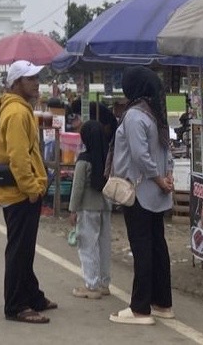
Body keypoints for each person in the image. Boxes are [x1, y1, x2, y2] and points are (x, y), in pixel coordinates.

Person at [109, 66, 175, 326]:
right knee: (158, 246)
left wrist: (158, 177)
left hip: (139, 190)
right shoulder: (156, 113)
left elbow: (139, 155)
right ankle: (162, 302)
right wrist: (167, 177)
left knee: (142, 248)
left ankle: (140, 308)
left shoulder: (135, 115)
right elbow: (166, 150)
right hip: (157, 191)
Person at [0, 60, 54, 324]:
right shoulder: (17, 113)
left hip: (19, 190)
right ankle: (16, 304)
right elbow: (18, 157)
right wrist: (31, 188)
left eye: (37, 77)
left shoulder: (16, 108)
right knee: (20, 249)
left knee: (24, 247)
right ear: (17, 84)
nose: (36, 82)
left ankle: (32, 294)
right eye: (30, 79)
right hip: (20, 192)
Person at [69, 119, 112, 299]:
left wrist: (72, 210)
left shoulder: (84, 160)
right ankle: (103, 283)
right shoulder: (107, 159)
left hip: (88, 207)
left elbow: (77, 188)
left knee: (87, 245)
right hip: (106, 207)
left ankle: (91, 285)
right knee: (103, 245)